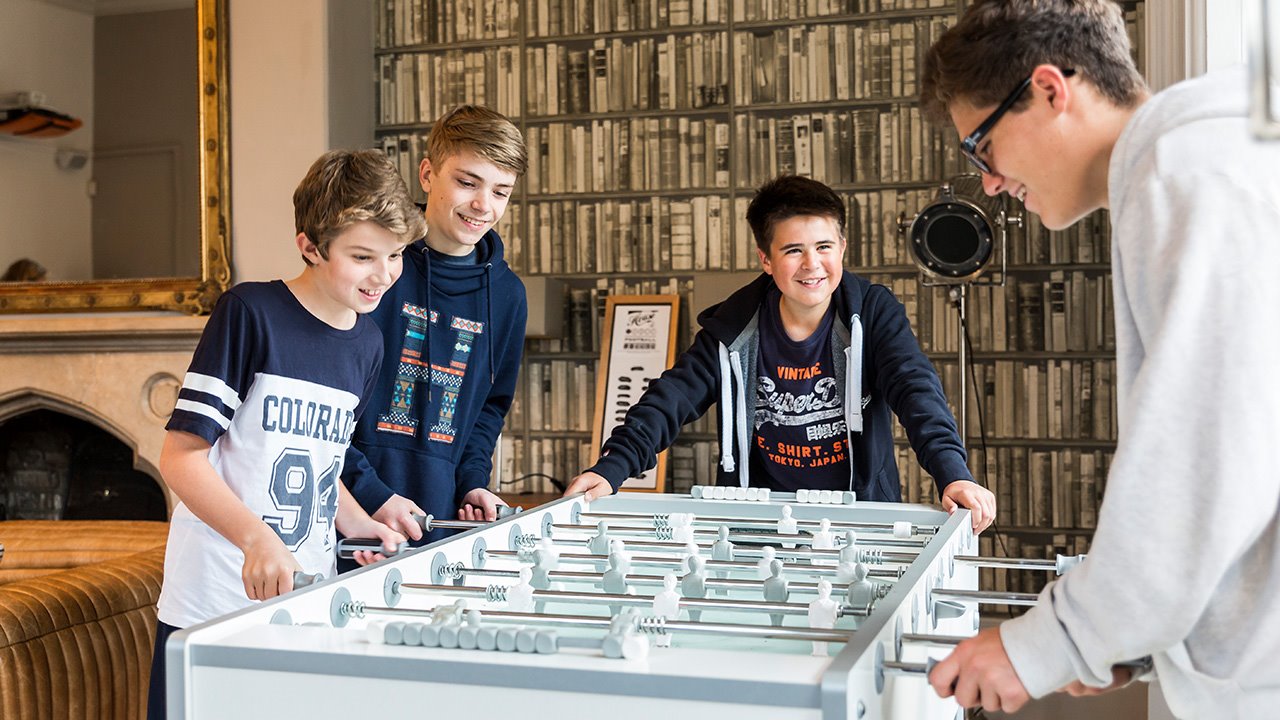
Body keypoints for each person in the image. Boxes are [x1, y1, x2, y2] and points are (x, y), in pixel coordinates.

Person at [919, 1, 1280, 716]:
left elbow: (1204, 461)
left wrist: (1051, 642)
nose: (989, 182)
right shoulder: (1206, 157)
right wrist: (1134, 638)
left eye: (981, 147)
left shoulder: (1185, 174)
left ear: (1052, 91)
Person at [147, 149, 419, 719]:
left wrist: (361, 526)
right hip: (215, 600)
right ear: (311, 246)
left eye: (394, 256)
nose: (383, 275)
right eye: (362, 256)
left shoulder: (369, 342)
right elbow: (180, 457)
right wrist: (254, 539)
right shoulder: (250, 312)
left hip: (306, 598)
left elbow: (323, 461)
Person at [566, 175, 996, 534]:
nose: (813, 264)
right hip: (759, 521)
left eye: (824, 247)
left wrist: (952, 472)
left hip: (861, 518)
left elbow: (915, 390)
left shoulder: (874, 313)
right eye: (794, 250)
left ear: (842, 248)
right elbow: (671, 399)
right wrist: (613, 467)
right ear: (766, 260)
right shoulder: (733, 326)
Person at [341, 105, 528, 549]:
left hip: (439, 524)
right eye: (467, 183)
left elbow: (489, 408)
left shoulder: (507, 296)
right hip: (350, 512)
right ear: (427, 175)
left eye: (501, 191)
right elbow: (330, 402)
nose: (484, 205)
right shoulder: (377, 267)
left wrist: (472, 482)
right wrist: (370, 493)